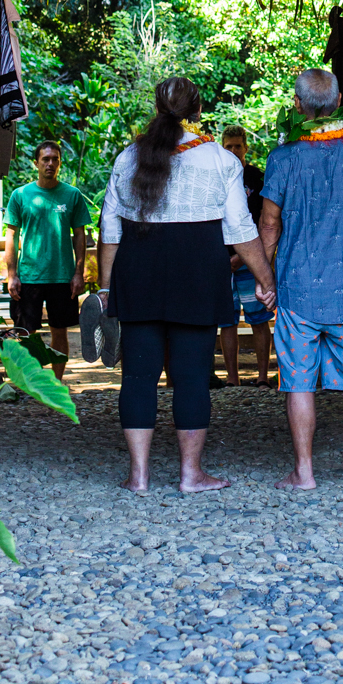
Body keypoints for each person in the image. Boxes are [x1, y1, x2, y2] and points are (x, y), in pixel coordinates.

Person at [97, 77, 276, 494]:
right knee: (193, 375)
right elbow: (240, 229)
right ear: (197, 112)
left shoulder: (128, 158)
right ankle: (190, 475)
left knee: (138, 376)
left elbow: (110, 229)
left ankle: (139, 476)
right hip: (197, 270)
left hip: (138, 270)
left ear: (157, 109)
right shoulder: (219, 160)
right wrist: (267, 280)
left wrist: (106, 288)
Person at [259, 68, 343, 490]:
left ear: (298, 107)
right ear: (339, 103)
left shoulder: (283, 159)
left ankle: (305, 472)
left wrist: (266, 278)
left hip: (297, 288)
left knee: (298, 381)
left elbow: (270, 225)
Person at [5, 142, 89, 377]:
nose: (50, 163)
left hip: (62, 276)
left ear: (60, 163)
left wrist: (78, 273)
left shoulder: (72, 195)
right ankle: (31, 381)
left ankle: (56, 381)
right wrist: (11, 275)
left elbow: (80, 235)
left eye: (55, 159)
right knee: (26, 332)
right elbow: (11, 233)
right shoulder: (21, 195)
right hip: (30, 275)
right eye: (45, 159)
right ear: (36, 163)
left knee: (59, 331)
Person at [218, 125, 273, 387]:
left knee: (258, 318)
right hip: (220, 263)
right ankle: (232, 377)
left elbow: (268, 222)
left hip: (251, 262)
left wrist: (242, 258)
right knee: (227, 321)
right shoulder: (213, 176)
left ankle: (262, 376)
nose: (232, 150)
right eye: (228, 146)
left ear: (245, 148)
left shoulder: (257, 178)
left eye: (237, 146)